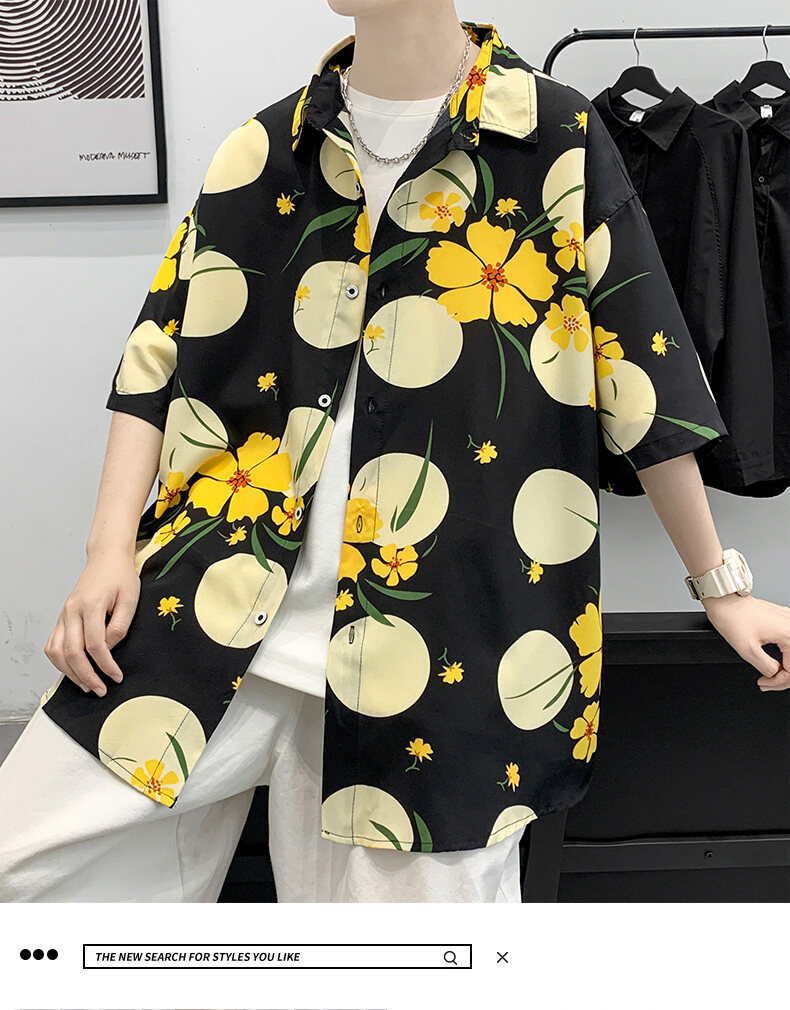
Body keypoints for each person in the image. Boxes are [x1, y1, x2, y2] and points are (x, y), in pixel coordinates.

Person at [1, 1, 788, 904]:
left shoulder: (555, 138)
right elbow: (157, 357)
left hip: (446, 645)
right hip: (215, 607)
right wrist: (106, 553)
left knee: (407, 964)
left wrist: (721, 587)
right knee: (25, 873)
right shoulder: (264, 148)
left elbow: (642, 377)